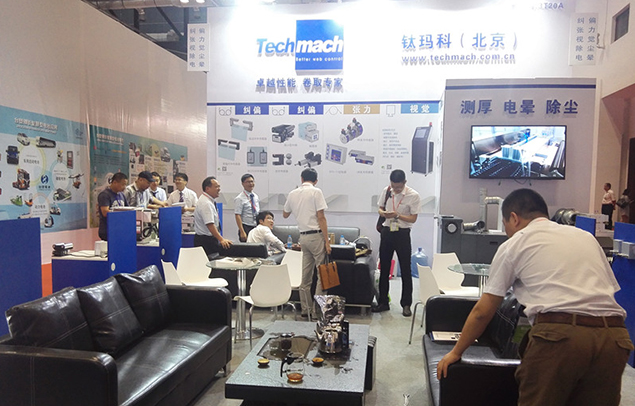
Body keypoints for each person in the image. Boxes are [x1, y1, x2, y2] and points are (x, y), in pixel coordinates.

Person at [437, 188, 633, 406]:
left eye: (506, 225)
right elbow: (610, 289)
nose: (507, 232)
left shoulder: (515, 243)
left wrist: (456, 352)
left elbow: (483, 311)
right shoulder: (586, 237)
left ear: (514, 218)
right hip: (614, 337)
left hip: (560, 338)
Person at [283, 168, 331, 318]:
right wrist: (327, 241)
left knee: (305, 276)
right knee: (322, 274)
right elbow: (321, 217)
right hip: (316, 236)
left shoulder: (292, 193)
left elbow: (285, 214)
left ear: (302, 179)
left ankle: (306, 309)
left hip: (303, 237)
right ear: (315, 181)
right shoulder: (316, 192)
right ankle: (318, 310)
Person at [374, 169, 421, 316]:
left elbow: (413, 218)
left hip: (402, 233)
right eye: (394, 186)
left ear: (405, 182)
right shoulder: (387, 191)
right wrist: (383, 213)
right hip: (387, 231)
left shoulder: (413, 195)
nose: (396, 189)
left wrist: (397, 215)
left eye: (399, 187)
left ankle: (406, 304)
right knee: (384, 268)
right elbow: (380, 208)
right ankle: (383, 302)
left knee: (405, 269)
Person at [194, 176, 232, 257]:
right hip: (206, 241)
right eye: (216, 187)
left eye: (219, 187)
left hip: (207, 239)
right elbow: (209, 224)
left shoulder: (208, 200)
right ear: (207, 188)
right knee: (209, 262)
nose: (219, 189)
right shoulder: (206, 203)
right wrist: (221, 239)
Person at [97, 172, 128, 241]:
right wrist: (121, 213)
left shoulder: (122, 195)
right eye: (123, 184)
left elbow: (128, 209)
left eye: (125, 185)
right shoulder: (104, 195)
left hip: (120, 229)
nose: (124, 187)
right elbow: (105, 212)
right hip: (108, 230)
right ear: (114, 182)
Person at [234, 173, 260, 242]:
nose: (251, 184)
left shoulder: (255, 196)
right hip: (246, 227)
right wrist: (242, 231)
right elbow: (237, 215)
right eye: (248, 182)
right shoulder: (239, 198)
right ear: (243, 184)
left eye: (252, 181)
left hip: (256, 226)